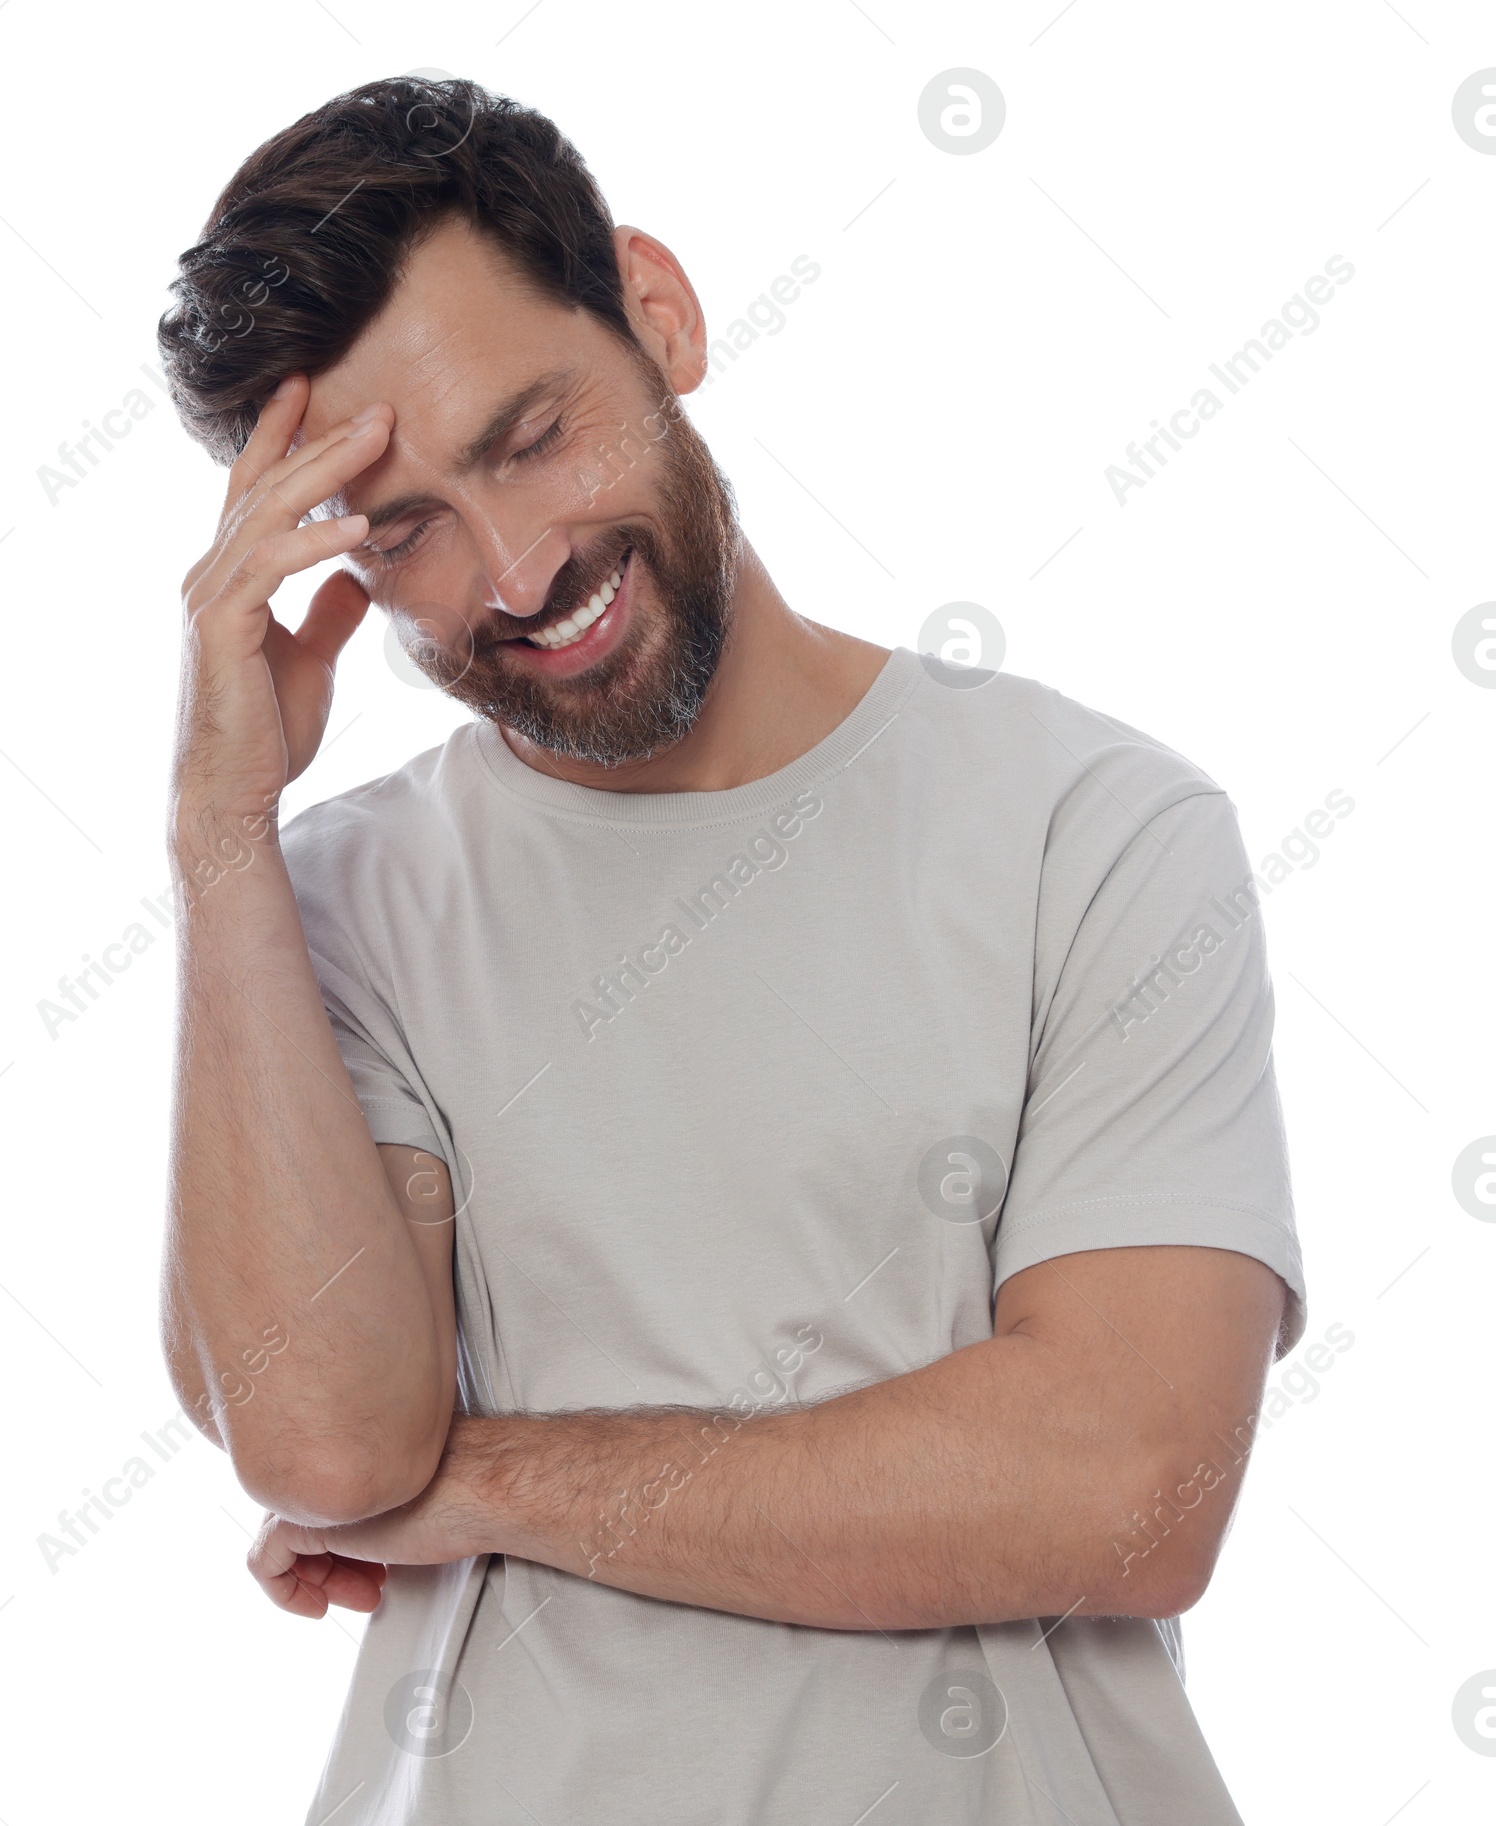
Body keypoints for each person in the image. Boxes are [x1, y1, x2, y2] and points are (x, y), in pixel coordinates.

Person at [156, 75, 1305, 1826]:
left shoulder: (1095, 827)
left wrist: (479, 1485)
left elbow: (1129, 1486)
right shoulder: (335, 907)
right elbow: (323, 1447)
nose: (520, 567)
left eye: (532, 434)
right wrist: (221, 837)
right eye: (404, 532)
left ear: (660, 315)